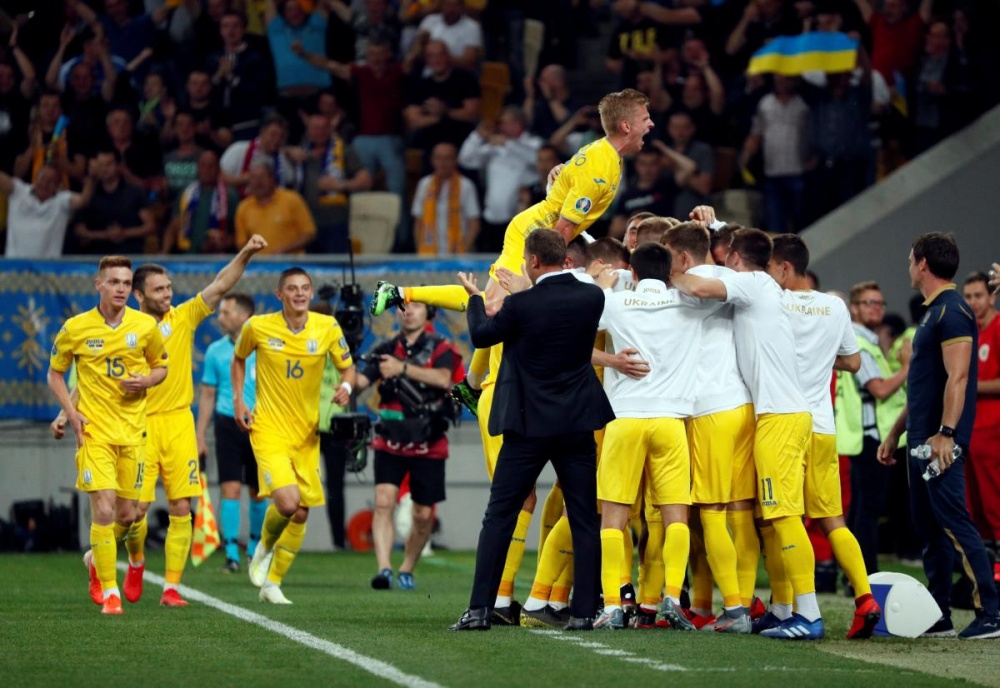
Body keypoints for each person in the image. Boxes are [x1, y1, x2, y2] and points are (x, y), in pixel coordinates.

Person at [371, 88, 653, 407]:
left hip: (537, 227)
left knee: (497, 306)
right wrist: (549, 270)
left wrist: (555, 178)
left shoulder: (604, 154)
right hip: (536, 233)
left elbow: (565, 182)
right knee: (493, 307)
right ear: (626, 126)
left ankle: (470, 383)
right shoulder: (602, 168)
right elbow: (563, 227)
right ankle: (400, 295)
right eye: (645, 118)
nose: (651, 124)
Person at [448, 229, 615, 631]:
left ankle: (480, 610)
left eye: (526, 260)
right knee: (583, 518)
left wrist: (476, 298)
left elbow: (482, 334)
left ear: (534, 261)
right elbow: (561, 300)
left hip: (528, 425)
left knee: (500, 515)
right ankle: (583, 612)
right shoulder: (591, 297)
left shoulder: (521, 305)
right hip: (577, 423)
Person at [671, 228, 822, 640]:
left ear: (736, 259)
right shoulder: (762, 287)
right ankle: (782, 609)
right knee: (774, 516)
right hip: (777, 413)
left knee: (784, 516)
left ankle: (808, 615)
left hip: (779, 416)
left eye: (728, 258)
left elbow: (699, 285)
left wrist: (662, 273)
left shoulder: (752, 282)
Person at [124, 236, 268, 605]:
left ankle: (171, 588)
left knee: (181, 508)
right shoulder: (125, 329)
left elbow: (221, 284)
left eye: (169, 287)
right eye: (159, 289)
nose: (167, 294)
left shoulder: (183, 316)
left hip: (178, 423)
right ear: (139, 295)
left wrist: (247, 252)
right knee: (135, 511)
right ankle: (136, 561)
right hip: (139, 424)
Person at [878, 232, 1000, 639]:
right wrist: (896, 432)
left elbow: (958, 377)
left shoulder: (952, 311)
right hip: (919, 440)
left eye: (910, 259)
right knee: (929, 528)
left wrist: (947, 434)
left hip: (939, 442)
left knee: (954, 523)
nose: (908, 266)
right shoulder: (932, 313)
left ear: (923, 263)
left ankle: (991, 612)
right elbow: (923, 384)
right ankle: (939, 612)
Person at [591, 243, 714, 631]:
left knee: (613, 516)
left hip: (625, 418)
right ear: (670, 271)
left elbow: (571, 338)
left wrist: (602, 285)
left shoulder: (614, 302)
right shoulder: (688, 303)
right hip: (670, 420)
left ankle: (613, 605)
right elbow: (715, 284)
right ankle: (673, 597)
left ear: (632, 271)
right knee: (676, 515)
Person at [767, 234, 883, 639]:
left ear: (784, 267)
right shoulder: (835, 306)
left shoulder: (774, 302)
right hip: (823, 426)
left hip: (785, 422)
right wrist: (818, 357)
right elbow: (853, 362)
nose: (768, 275)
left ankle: (805, 613)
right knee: (833, 519)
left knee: (784, 516)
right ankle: (865, 598)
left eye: (770, 268)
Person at [47, 255, 168, 614]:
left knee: (127, 515)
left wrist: (146, 381)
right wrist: (70, 414)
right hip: (94, 432)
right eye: (114, 282)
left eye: (126, 283)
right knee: (102, 508)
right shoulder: (76, 328)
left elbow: (161, 367)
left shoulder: (145, 326)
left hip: (133, 432)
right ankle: (111, 592)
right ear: (98, 284)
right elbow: (55, 374)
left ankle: (94, 560)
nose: (121, 289)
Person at [235, 267, 357, 603]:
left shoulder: (327, 327)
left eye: (305, 288)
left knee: (301, 511)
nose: (300, 293)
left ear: (311, 293)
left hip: (306, 434)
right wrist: (239, 400)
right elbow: (238, 358)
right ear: (280, 294)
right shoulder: (258, 326)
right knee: (288, 503)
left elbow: (348, 367)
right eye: (292, 288)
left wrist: (346, 387)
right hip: (268, 428)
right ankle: (263, 547)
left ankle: (272, 583)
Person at [661, 220, 758, 630]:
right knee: (741, 511)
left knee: (712, 514)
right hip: (743, 405)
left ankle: (735, 608)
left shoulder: (680, 289)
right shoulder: (733, 278)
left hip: (709, 410)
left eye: (668, 258)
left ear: (683, 257)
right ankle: (745, 602)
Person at [355, 302, 456, 590]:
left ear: (428, 313)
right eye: (403, 306)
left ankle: (407, 568)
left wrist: (401, 369)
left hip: (428, 441)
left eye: (416, 306)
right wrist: (345, 371)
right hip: (390, 439)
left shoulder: (441, 347)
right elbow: (360, 381)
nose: (408, 311)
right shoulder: (385, 348)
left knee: (422, 515)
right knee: (383, 502)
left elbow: (443, 378)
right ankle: (384, 568)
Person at [835, 280, 908, 577]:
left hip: (865, 435)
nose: (877, 308)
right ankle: (865, 575)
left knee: (861, 509)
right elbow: (879, 389)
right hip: (869, 436)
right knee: (868, 511)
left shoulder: (867, 341)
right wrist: (909, 367)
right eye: (869, 303)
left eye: (880, 303)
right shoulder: (860, 343)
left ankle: (853, 575)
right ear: (854, 309)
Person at [197, 293, 265, 572]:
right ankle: (231, 554)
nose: (220, 318)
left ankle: (255, 548)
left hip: (260, 424)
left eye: (226, 313)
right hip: (227, 423)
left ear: (244, 316)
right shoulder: (215, 351)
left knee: (258, 491)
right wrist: (200, 435)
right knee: (230, 487)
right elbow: (207, 394)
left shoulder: (264, 347)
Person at [962, 272, 1000, 571]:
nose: (973, 302)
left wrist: (969, 385)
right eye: (968, 296)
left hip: (993, 429)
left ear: (991, 297)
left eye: (978, 296)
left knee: (993, 497)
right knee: (974, 501)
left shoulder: (998, 328)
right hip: (970, 430)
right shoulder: (970, 331)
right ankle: (985, 563)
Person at [2, 163, 94, 258]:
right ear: (36, 178)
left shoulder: (62, 200)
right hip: (13, 264)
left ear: (58, 185)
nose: (45, 184)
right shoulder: (18, 191)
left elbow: (83, 201)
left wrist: (91, 179)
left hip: (47, 265)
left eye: (50, 181)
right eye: (42, 178)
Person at [411, 142, 480, 255]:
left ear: (455, 160)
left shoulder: (466, 185)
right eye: (438, 158)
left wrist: (463, 251)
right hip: (429, 253)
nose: (442, 163)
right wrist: (420, 251)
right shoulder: (424, 184)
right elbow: (418, 221)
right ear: (432, 160)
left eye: (447, 158)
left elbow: (474, 223)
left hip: (458, 253)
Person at [234, 159, 316, 254]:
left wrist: (285, 250)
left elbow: (309, 233)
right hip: (258, 263)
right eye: (254, 178)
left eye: (262, 177)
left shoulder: (292, 199)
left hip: (291, 261)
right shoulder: (243, 207)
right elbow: (241, 243)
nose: (258, 182)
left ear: (272, 178)